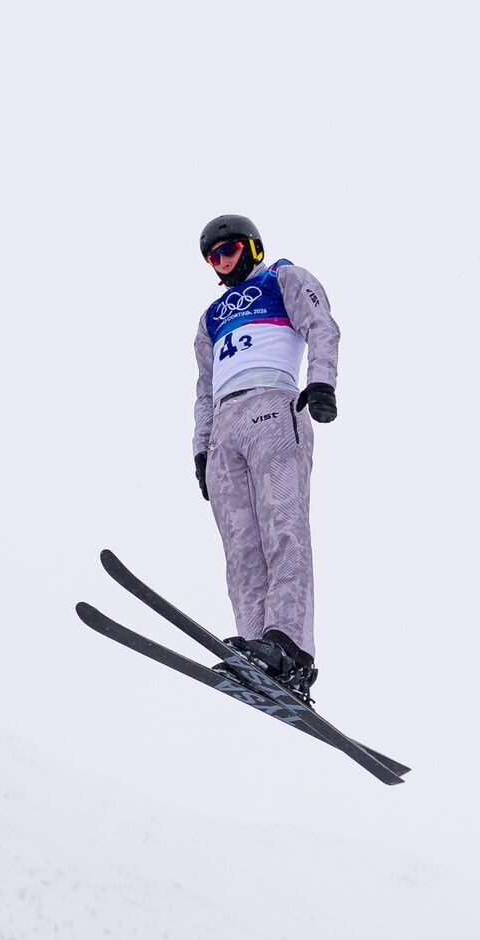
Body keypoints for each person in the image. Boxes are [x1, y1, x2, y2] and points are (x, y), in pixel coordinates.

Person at [191, 213, 338, 702]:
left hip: (273, 407)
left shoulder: (282, 277)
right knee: (242, 552)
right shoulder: (211, 318)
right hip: (225, 430)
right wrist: (200, 445)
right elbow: (203, 386)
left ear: (251, 247)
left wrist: (322, 380)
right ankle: (259, 649)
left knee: (283, 528)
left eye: (229, 250)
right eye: (213, 257)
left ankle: (290, 646)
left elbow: (322, 325)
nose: (222, 262)